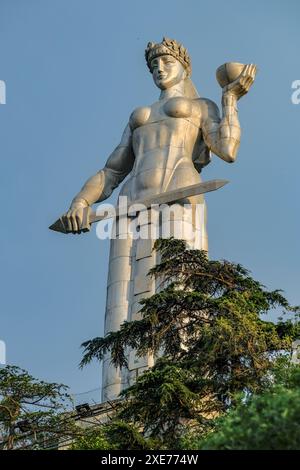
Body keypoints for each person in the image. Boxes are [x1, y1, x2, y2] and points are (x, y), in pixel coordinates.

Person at [62, 38, 256, 401]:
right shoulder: (139, 115)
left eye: (166, 61)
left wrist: (230, 100)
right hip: (131, 203)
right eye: (153, 66)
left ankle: (181, 386)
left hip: (177, 193)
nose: (159, 69)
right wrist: (81, 200)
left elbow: (227, 149)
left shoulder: (200, 105)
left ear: (184, 65)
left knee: (176, 285)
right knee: (122, 301)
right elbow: (112, 168)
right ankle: (120, 399)